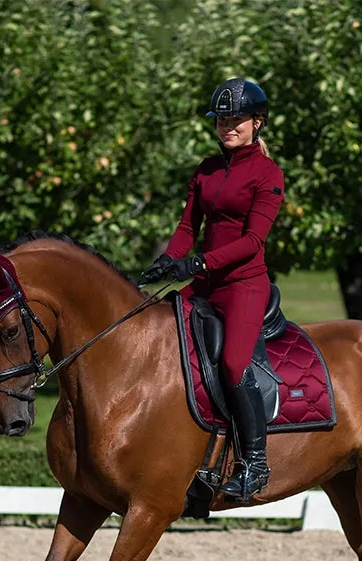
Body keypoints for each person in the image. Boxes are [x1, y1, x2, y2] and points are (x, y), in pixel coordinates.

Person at [140, 77, 284, 502]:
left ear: (258, 123)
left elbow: (253, 242)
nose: (228, 127)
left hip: (243, 287)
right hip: (202, 284)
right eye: (221, 120)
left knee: (235, 365)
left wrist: (198, 262)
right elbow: (188, 227)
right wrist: (169, 260)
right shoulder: (204, 169)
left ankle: (254, 463)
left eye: (236, 119)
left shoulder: (268, 174)